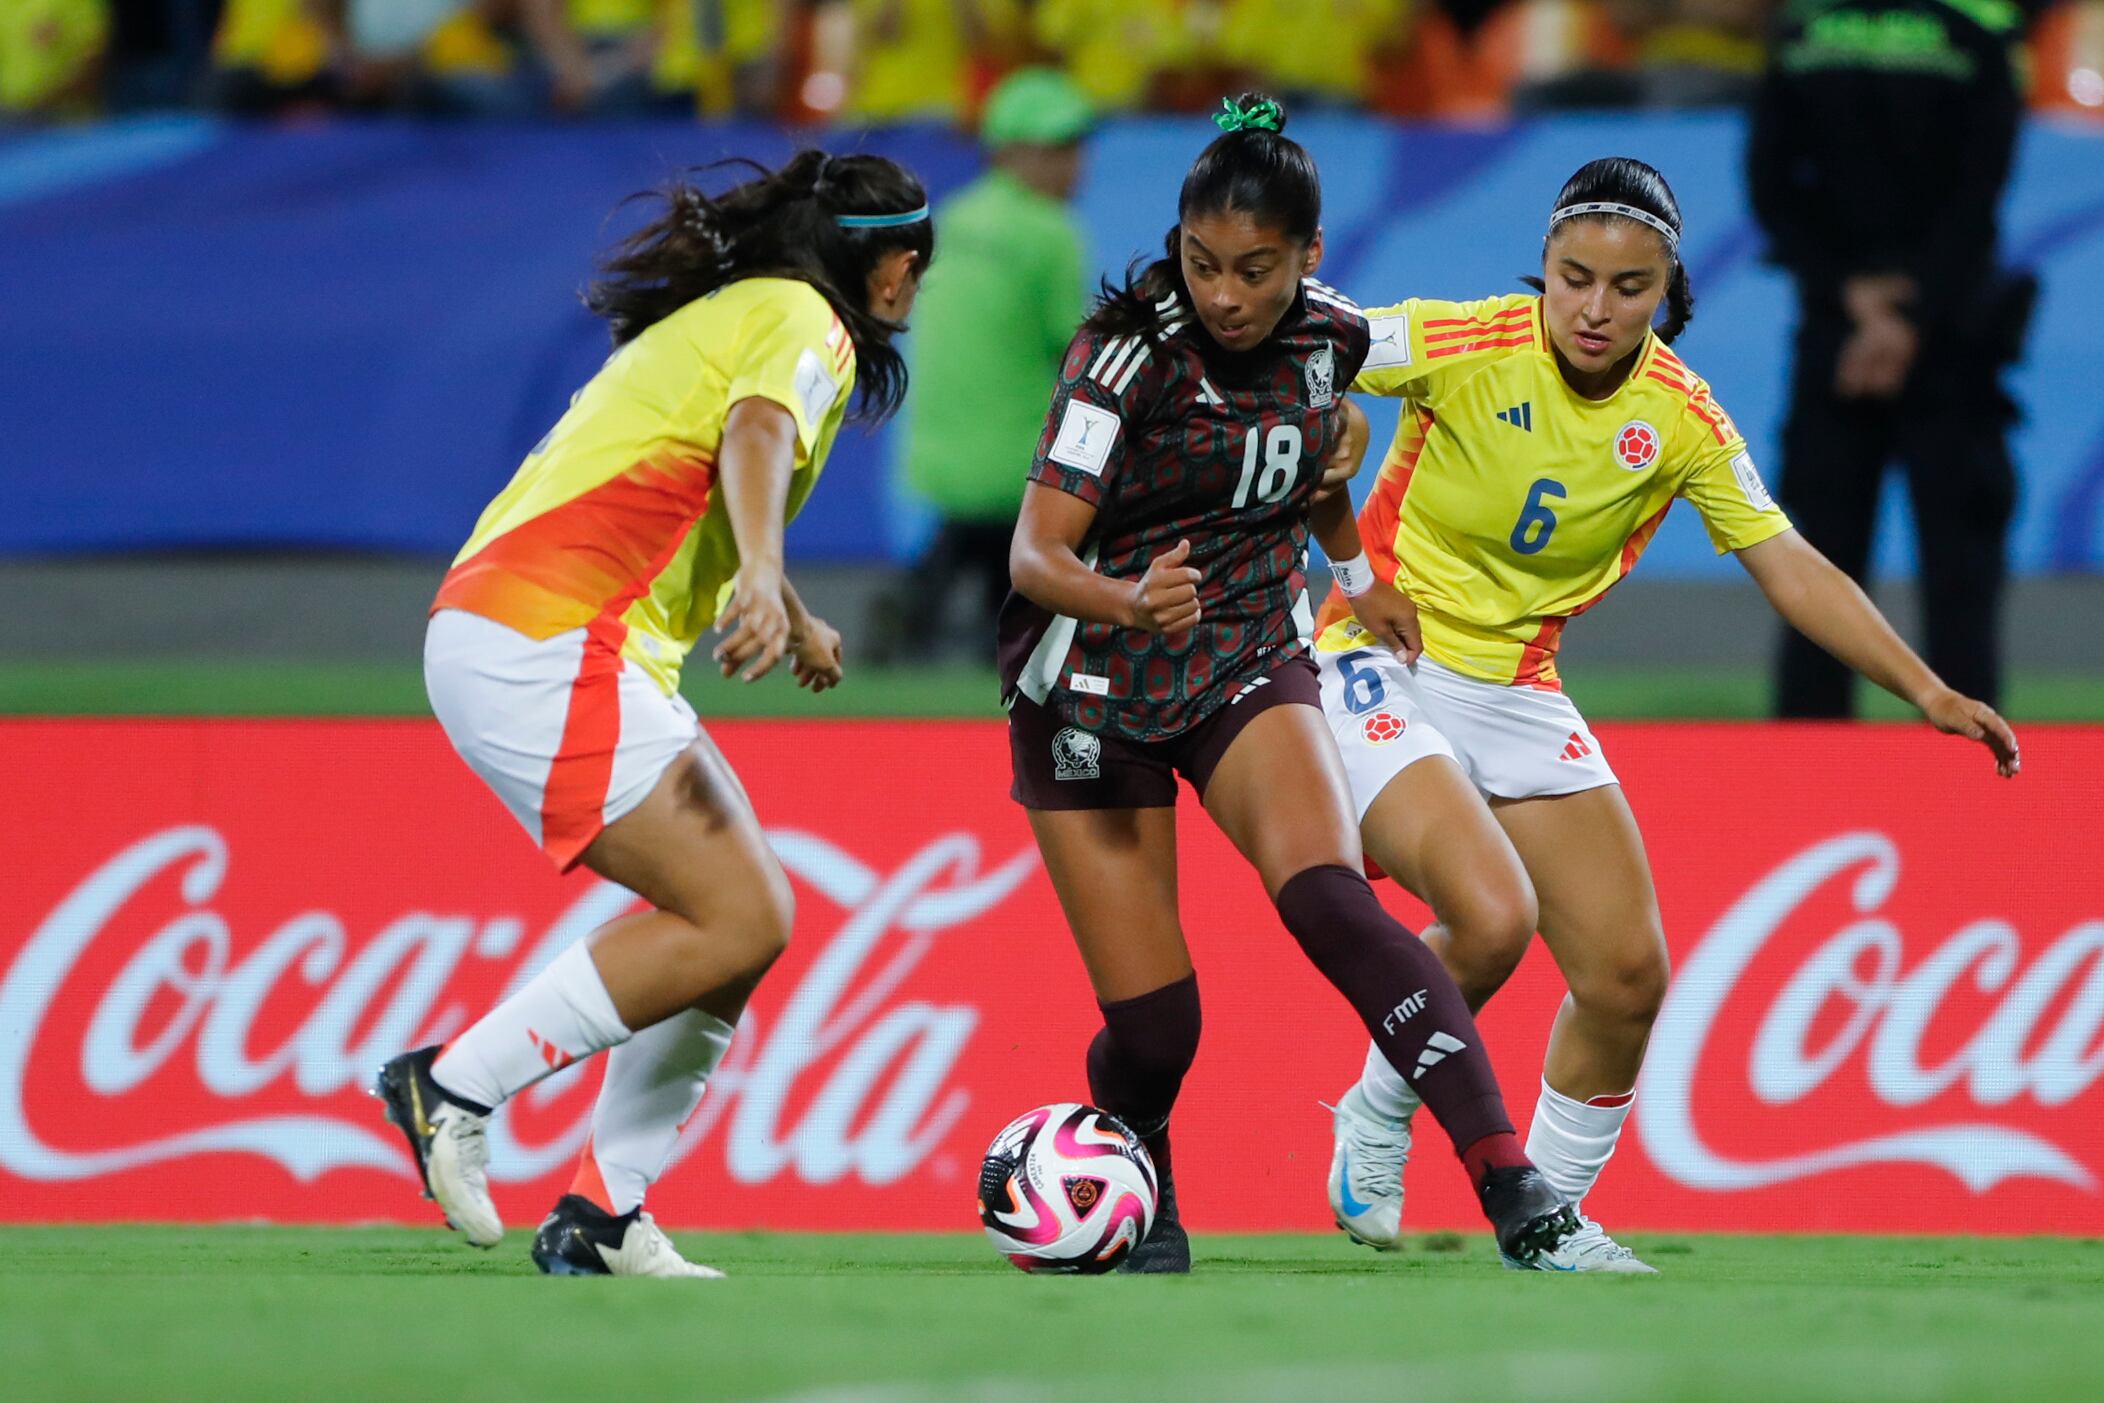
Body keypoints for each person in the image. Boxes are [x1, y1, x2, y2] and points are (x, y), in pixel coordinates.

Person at [1309, 157, 2021, 1271]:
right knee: (1489, 917)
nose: (1594, 309)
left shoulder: (1679, 417)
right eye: (1573, 277)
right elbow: (1323, 330)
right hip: (1381, 654)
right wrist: (1321, 437)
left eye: (1627, 286)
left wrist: (1924, 686)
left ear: (1667, 287)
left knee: (1628, 974)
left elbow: (1786, 563)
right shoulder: (1465, 340)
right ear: (1540, 268)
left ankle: (1547, 1218)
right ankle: (1378, 1110)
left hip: (1516, 688)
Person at [1001, 93, 1584, 1275]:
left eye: (1253, 269)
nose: (1223, 292)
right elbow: (1033, 556)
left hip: (1241, 660)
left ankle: (1515, 1188)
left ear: (1309, 257)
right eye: (1202, 262)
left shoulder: (1330, 336)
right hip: (1089, 693)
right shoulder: (1124, 358)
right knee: (1160, 1027)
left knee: (1331, 900)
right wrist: (1125, 599)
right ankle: (1140, 1156)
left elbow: (1308, 464)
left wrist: (1357, 573)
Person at [373, 151, 934, 1278]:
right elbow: (759, 434)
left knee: (738, 926)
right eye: (907, 258)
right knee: (739, 913)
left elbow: (686, 476)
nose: (912, 280)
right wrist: (765, 569)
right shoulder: (800, 319)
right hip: (549, 636)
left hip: (530, 628)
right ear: (875, 262)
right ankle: (452, 1084)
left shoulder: (738, 310)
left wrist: (785, 595)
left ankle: (603, 1213)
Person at [1749, 0, 2031, 718]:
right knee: (1959, 570)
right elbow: (1982, 190)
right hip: (1951, 336)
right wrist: (1912, 313)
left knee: (1813, 562)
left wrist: (1853, 297)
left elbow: (1772, 187)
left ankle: (1807, 781)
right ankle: (1975, 771)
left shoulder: (1806, 31)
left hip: (1837, 336)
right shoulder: (1975, 30)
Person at [870, 66, 1092, 662]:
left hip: (933, 455)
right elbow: (1076, 357)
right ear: (1009, 152)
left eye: (1075, 146)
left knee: (979, 549)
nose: (1072, 164)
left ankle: (926, 609)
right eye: (1055, 149)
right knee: (1025, 564)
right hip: (1017, 461)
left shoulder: (950, 218)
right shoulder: (1051, 233)